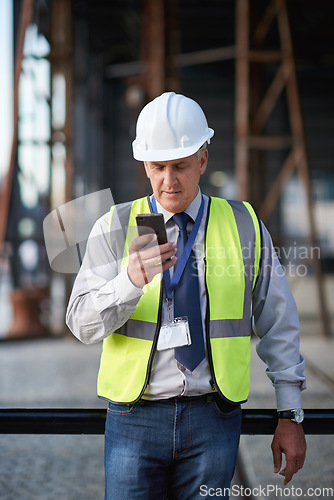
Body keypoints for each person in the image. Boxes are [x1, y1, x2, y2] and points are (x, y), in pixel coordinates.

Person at [66, 92, 307, 499]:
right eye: (158, 167)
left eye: (179, 166)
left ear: (203, 159)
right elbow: (81, 324)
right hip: (134, 419)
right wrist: (129, 281)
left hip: (213, 419)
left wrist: (290, 415)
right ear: (145, 165)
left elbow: (279, 323)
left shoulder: (244, 225)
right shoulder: (117, 226)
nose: (168, 180)